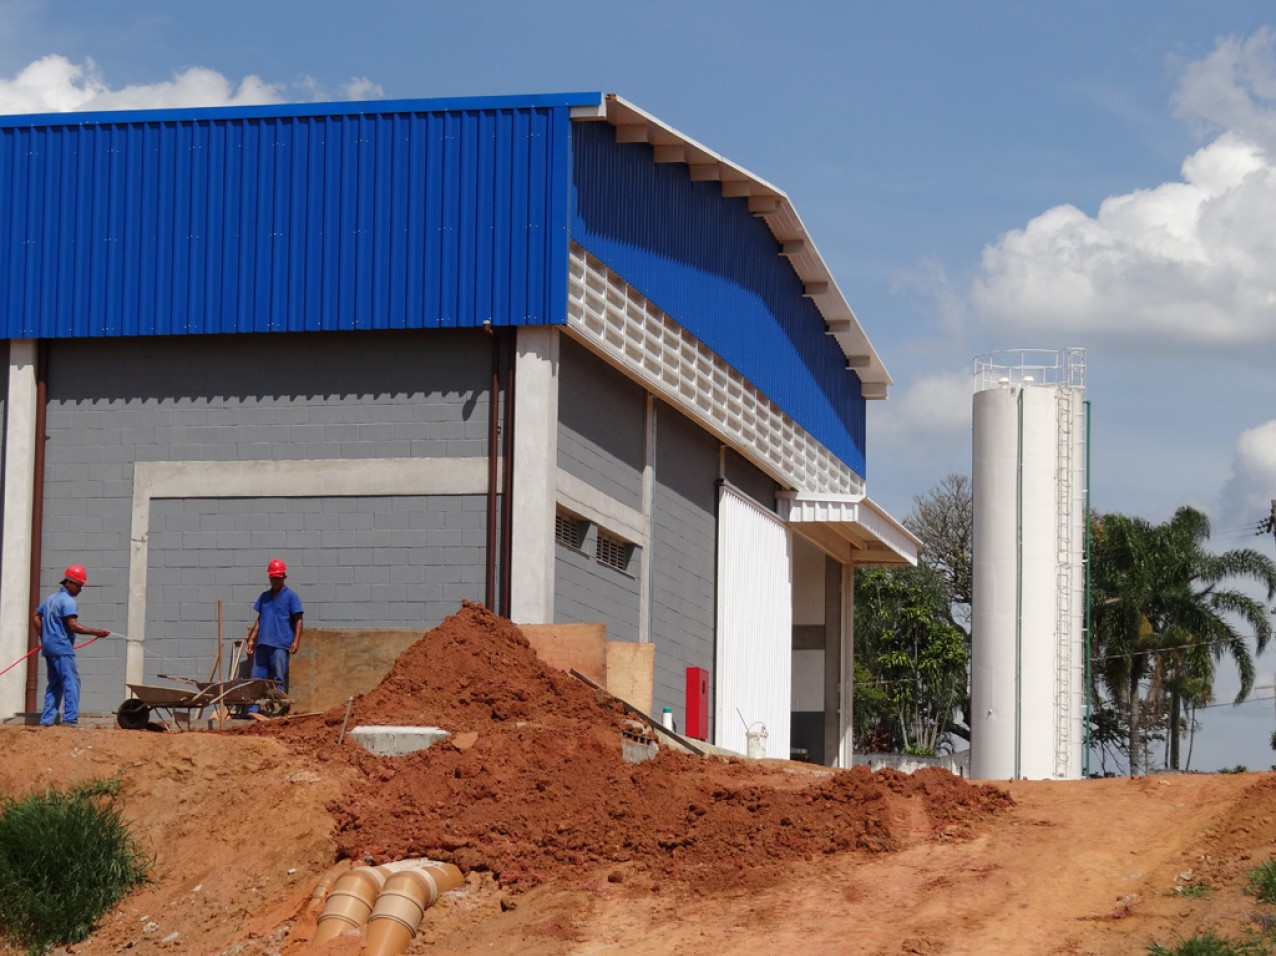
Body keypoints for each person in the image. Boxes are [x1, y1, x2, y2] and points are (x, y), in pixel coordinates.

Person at [32, 564, 110, 727]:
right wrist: (97, 632)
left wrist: (44, 637)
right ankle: (70, 719)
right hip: (62, 649)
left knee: (55, 684)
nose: (80, 589)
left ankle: (46, 720)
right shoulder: (68, 601)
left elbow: (36, 616)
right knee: (71, 682)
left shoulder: (51, 599)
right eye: (80, 585)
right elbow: (73, 626)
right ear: (70, 582)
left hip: (49, 649)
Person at [245, 558, 303, 701]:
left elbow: (299, 620)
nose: (276, 581)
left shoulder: (291, 596)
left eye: (278, 578)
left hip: (280, 645)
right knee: (257, 680)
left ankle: (279, 709)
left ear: (284, 577)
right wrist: (252, 639)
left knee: (278, 679)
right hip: (263, 645)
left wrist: (296, 641)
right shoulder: (265, 597)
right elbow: (260, 619)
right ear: (269, 578)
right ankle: (254, 710)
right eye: (273, 578)